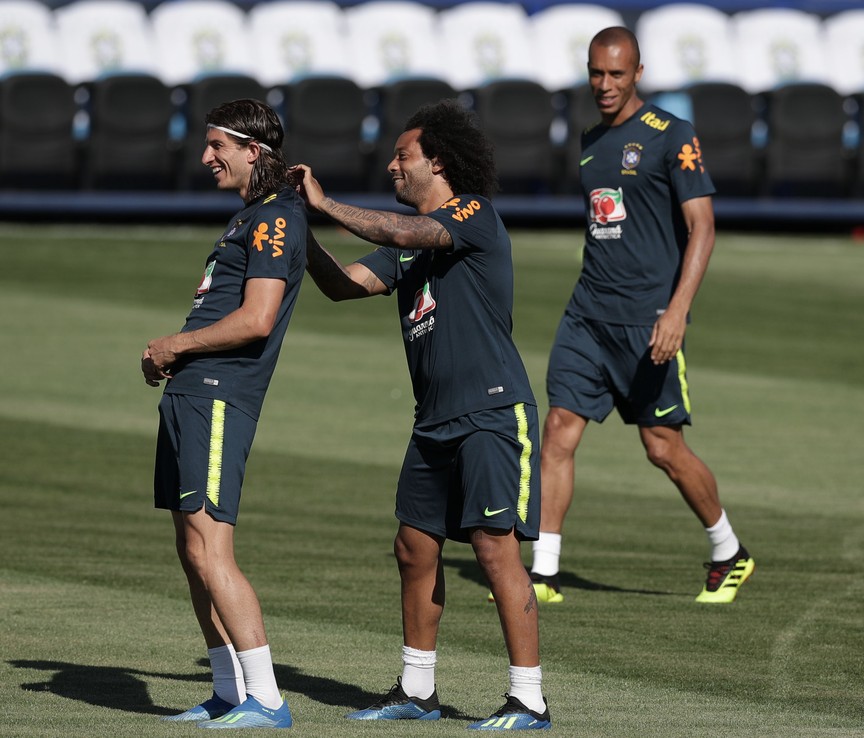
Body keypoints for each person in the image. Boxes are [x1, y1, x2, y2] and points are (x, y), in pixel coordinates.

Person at [291, 99, 552, 731]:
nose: (392, 166)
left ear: (437, 161)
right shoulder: (405, 248)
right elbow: (341, 285)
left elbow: (404, 232)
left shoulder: (472, 215)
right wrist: (298, 230)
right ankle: (417, 690)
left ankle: (529, 699)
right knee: (413, 547)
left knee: (495, 550)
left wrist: (325, 205)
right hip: (433, 420)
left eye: (403, 156)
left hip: (492, 412)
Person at [529, 27, 755, 606]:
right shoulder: (587, 141)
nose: (605, 85)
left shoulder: (671, 137)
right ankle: (544, 573)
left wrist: (677, 311)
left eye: (616, 74)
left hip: (648, 320)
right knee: (558, 430)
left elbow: (702, 226)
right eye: (596, 73)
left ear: (638, 73)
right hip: (587, 315)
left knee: (662, 447)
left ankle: (729, 551)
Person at [142, 98, 306, 729]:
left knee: (212, 548)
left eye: (218, 146)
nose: (206, 156)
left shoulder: (275, 220)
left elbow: (257, 319)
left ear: (252, 151)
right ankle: (227, 691)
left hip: (218, 394)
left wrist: (174, 345)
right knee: (192, 549)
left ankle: (267, 698)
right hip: (191, 390)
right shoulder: (252, 217)